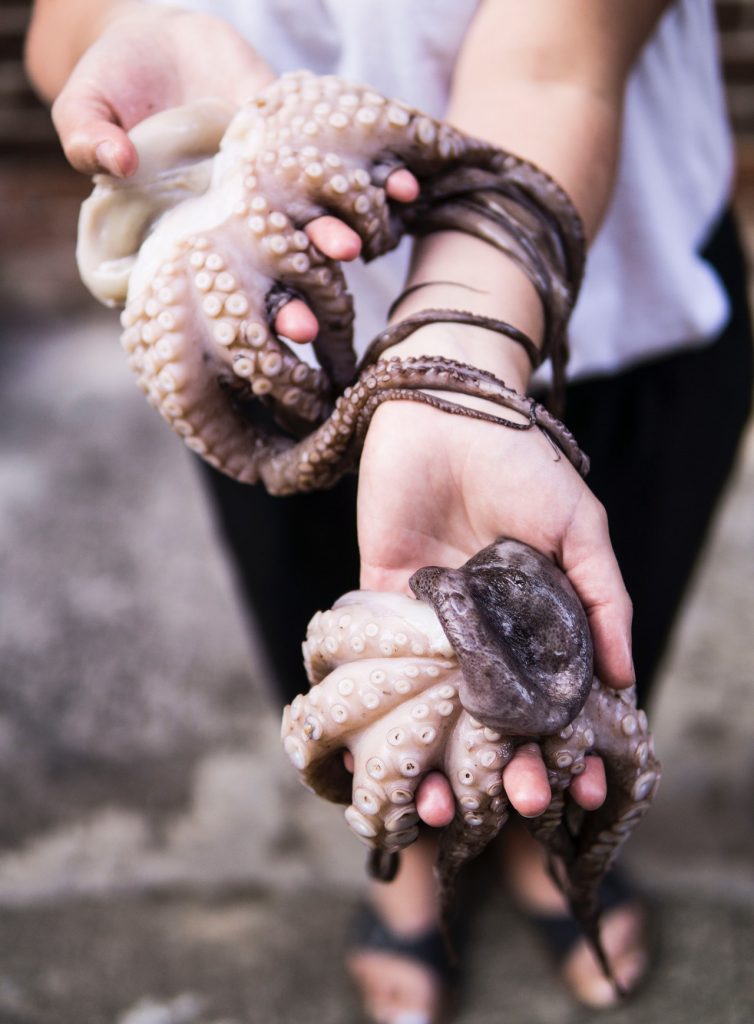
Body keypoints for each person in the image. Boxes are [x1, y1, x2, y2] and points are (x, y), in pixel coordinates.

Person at [25, 2, 753, 1022]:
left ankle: (554, 859)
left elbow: (554, 61)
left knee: (605, 637)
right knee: (337, 634)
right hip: (276, 325)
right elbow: (62, 29)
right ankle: (401, 857)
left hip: (629, 274)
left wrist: (452, 363)